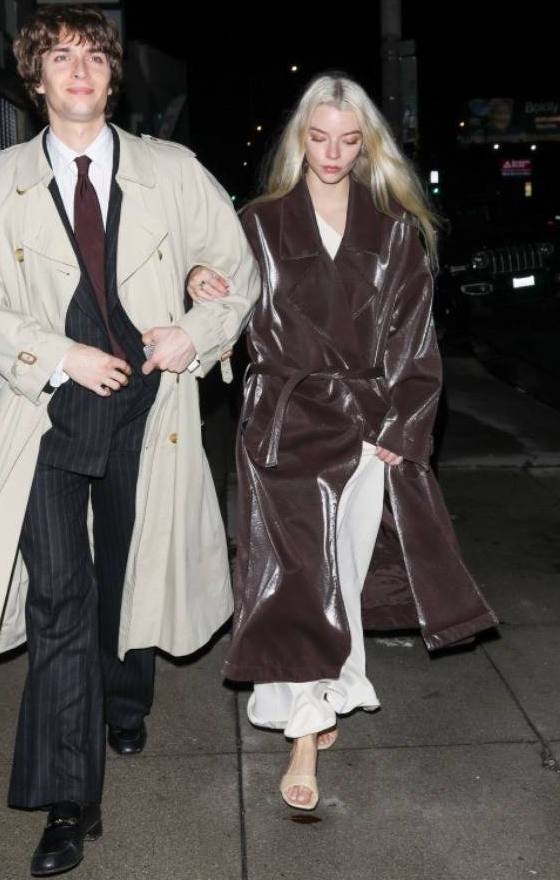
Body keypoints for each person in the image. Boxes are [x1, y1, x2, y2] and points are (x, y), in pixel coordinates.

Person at [0, 5, 259, 876]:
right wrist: (57, 355)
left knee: (125, 569)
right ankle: (68, 797)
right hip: (42, 411)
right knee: (59, 598)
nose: (77, 69)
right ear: (35, 79)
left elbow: (235, 270)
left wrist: (193, 328)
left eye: (92, 56)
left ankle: (124, 697)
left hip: (146, 413)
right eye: (58, 57)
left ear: (112, 76)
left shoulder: (171, 171)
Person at [188, 72, 497, 811]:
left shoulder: (392, 230)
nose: (331, 153)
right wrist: (200, 277)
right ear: (300, 139)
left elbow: (414, 339)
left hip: (362, 425)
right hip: (282, 422)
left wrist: (404, 424)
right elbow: (225, 297)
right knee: (294, 577)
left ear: (366, 146)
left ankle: (321, 696)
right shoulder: (258, 223)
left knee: (338, 576)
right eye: (319, 137)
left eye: (348, 140)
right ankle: (305, 729)